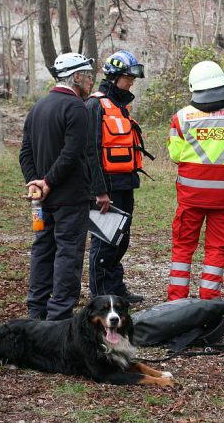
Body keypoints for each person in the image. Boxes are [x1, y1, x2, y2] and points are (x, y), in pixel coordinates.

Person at [167, 61, 224, 301]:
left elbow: (175, 154)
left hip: (190, 198)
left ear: (194, 88)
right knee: (217, 248)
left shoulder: (182, 117)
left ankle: (177, 301)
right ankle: (209, 298)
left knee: (184, 247)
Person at [19, 52, 95, 320]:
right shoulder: (76, 108)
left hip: (44, 199)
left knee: (42, 249)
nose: (90, 83)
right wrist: (47, 182)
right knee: (68, 254)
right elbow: (72, 153)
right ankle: (59, 317)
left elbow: (25, 152)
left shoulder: (38, 107)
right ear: (75, 77)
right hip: (70, 198)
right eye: (88, 77)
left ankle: (36, 312)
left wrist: (35, 183)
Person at [85, 50, 152, 303]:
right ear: (114, 77)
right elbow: (90, 152)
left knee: (121, 239)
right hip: (106, 187)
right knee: (105, 240)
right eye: (127, 77)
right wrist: (98, 190)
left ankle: (115, 288)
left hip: (124, 183)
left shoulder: (120, 107)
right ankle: (100, 294)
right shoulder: (95, 105)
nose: (132, 81)